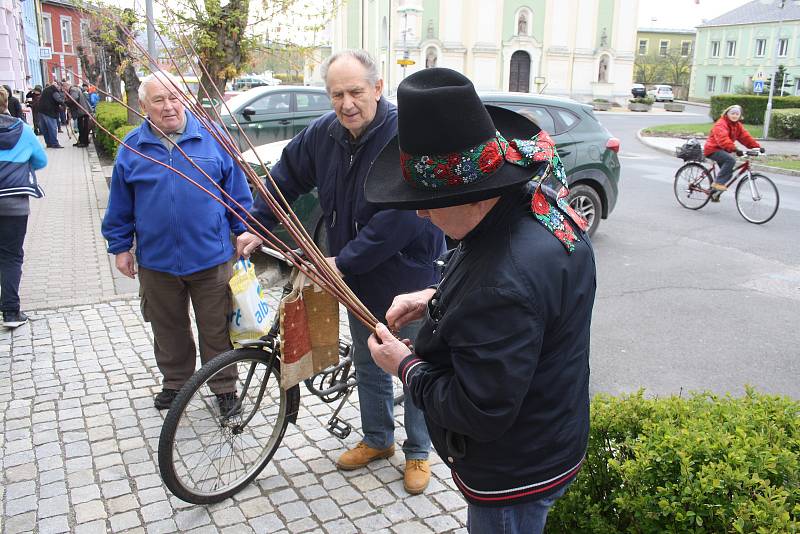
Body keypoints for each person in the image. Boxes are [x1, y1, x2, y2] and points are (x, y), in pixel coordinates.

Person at [363, 68, 596, 533]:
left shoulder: (503, 280)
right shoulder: (534, 207)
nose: (422, 212)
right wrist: (435, 297)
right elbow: (529, 303)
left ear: (470, 193)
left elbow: (477, 410)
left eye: (426, 200)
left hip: (515, 472)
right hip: (551, 432)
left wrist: (402, 366)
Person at [236, 49, 446, 495]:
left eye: (355, 92)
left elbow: (401, 218)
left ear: (377, 88)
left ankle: (419, 452)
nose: (346, 103)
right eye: (336, 94)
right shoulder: (324, 134)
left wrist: (341, 262)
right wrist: (258, 223)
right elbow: (284, 177)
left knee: (414, 364)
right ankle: (377, 439)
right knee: (370, 359)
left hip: (408, 275)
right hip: (355, 275)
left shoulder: (405, 138)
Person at [101, 72, 258, 411]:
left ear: (184, 98)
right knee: (168, 329)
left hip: (211, 258)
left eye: (174, 97)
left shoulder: (213, 139)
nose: (169, 106)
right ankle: (176, 383)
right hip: (157, 262)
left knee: (217, 330)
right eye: (159, 100)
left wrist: (244, 229)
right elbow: (120, 205)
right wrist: (120, 248)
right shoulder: (132, 147)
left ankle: (224, 387)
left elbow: (237, 196)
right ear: (144, 106)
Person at [0, 84, 47, 328]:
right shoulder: (23, 131)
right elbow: (41, 160)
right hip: (13, 204)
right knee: (10, 257)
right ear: (6, 103)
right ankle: (10, 312)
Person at [704, 105, 763, 193]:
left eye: (737, 114)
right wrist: (735, 149)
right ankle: (717, 184)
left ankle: (713, 192)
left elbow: (745, 138)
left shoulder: (737, 126)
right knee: (730, 160)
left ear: (740, 116)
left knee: (728, 173)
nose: (734, 116)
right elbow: (723, 139)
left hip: (724, 149)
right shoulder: (721, 123)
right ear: (727, 114)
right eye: (732, 113)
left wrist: (757, 147)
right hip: (712, 149)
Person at [37, 82, 65, 148]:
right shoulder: (54, 90)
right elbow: (58, 99)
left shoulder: (46, 90)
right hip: (49, 112)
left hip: (41, 111)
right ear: (58, 86)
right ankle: (55, 143)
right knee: (52, 128)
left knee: (45, 129)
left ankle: (48, 143)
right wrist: (64, 104)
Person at [66, 83, 91, 147]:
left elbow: (74, 98)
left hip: (82, 112)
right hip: (81, 112)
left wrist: (66, 102)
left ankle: (84, 142)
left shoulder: (73, 90)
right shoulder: (74, 89)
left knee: (83, 128)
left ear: (66, 86)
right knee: (81, 127)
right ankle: (81, 141)